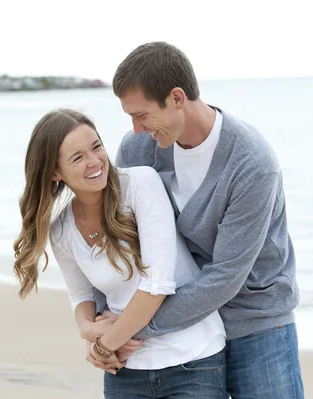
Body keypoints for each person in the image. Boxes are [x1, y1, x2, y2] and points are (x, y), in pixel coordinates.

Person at [108, 41, 304, 399]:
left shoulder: (252, 164)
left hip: (255, 323)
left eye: (142, 115)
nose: (136, 128)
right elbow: (122, 238)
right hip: (185, 328)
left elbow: (225, 277)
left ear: (177, 98)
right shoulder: (138, 150)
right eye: (130, 117)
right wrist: (100, 319)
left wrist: (129, 329)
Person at [12, 109, 227, 399]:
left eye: (96, 147)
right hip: (124, 370)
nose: (94, 162)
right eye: (78, 157)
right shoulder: (61, 230)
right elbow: (82, 296)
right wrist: (88, 330)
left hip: (191, 359)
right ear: (55, 172)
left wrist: (105, 344)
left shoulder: (140, 184)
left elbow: (157, 285)